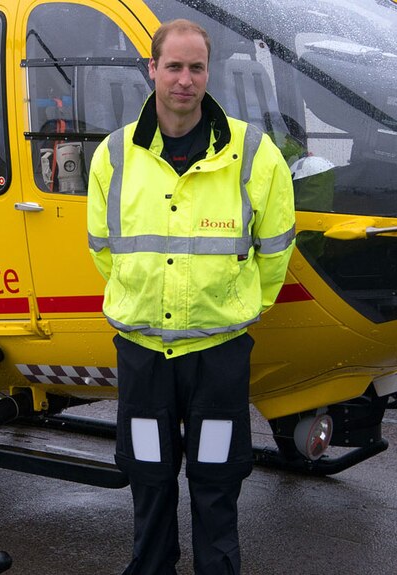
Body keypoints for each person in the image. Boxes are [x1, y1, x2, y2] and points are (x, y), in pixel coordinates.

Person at [86, 19, 295, 575]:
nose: (184, 80)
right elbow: (104, 249)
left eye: (195, 67)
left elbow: (275, 254)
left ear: (209, 72)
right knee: (149, 478)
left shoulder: (256, 154)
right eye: (173, 66)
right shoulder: (113, 156)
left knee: (217, 479)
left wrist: (232, 308)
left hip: (218, 354)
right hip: (143, 352)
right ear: (150, 69)